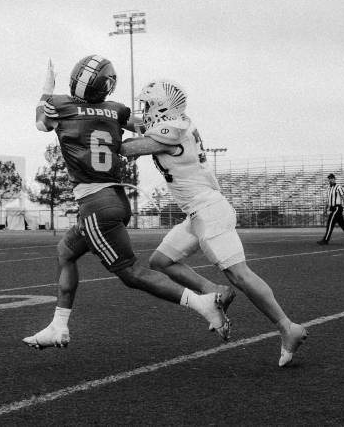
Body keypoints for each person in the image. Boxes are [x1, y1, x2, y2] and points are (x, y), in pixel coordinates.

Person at [22, 57, 230, 350]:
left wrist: (45, 89)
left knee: (132, 273)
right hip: (115, 199)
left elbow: (41, 122)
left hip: (96, 204)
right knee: (65, 251)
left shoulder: (62, 105)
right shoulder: (115, 110)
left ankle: (203, 304)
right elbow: (147, 125)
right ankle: (58, 326)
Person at [119, 78, 307, 367]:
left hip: (208, 209)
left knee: (240, 274)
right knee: (161, 261)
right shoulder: (175, 122)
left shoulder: (173, 129)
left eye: (148, 104)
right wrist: (103, 113)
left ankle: (287, 326)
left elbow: (130, 147)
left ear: (162, 107)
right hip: (197, 213)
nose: (143, 110)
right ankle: (213, 291)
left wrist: (94, 128)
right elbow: (133, 122)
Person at [317, 173, 344, 245]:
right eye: (329, 179)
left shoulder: (338, 187)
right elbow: (328, 200)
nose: (330, 180)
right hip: (332, 208)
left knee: (330, 223)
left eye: (331, 178)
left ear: (334, 179)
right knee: (343, 225)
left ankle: (325, 240)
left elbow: (343, 197)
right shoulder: (328, 189)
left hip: (337, 208)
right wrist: (325, 209)